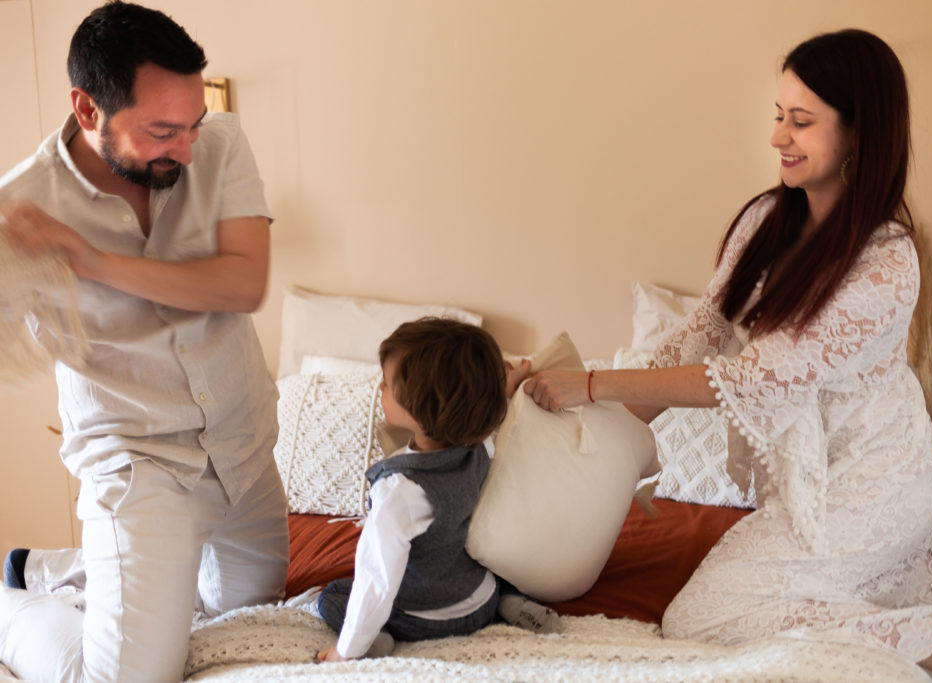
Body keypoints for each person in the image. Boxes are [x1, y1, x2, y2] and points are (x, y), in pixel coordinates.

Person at [523, 29, 932, 682]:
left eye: (802, 122)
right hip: (801, 484)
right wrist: (558, 410)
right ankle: (916, 634)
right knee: (766, 609)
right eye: (778, 116)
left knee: (699, 617)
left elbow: (752, 382)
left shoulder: (887, 262)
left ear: (860, 135)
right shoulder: (765, 221)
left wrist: (590, 384)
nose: (779, 137)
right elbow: (698, 339)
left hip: (873, 483)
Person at [0, 2, 289, 681]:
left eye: (191, 124)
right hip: (139, 468)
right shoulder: (21, 210)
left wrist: (90, 261)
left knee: (246, 631)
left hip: (242, 444)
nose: (186, 147)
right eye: (163, 130)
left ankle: (71, 570)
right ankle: (13, 604)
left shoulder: (218, 145)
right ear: (89, 108)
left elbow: (244, 284)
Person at [316, 318, 559, 663]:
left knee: (332, 596)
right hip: (480, 598)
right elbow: (482, 403)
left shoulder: (398, 490)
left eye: (386, 384)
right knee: (490, 560)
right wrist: (505, 385)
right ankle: (509, 602)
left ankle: (376, 641)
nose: (379, 388)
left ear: (417, 412)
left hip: (426, 620)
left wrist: (345, 650)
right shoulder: (482, 446)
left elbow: (378, 580)